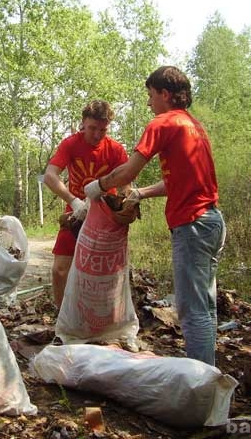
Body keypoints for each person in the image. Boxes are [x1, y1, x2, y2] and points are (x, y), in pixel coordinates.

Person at [85, 66, 226, 366]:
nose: (149, 103)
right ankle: (207, 375)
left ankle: (201, 385)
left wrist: (98, 186)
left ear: (165, 94)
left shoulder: (162, 123)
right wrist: (140, 193)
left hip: (193, 225)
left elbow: (129, 170)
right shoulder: (194, 126)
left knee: (193, 311)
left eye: (150, 96)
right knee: (206, 307)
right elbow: (178, 181)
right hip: (212, 222)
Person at [43, 100, 129, 308]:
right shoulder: (71, 144)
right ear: (83, 123)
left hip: (106, 219)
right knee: (60, 269)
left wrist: (126, 204)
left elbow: (126, 184)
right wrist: (73, 201)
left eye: (103, 129)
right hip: (76, 215)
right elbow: (50, 176)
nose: (97, 134)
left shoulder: (116, 150)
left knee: (108, 272)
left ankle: (103, 317)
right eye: (92, 128)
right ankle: (63, 320)